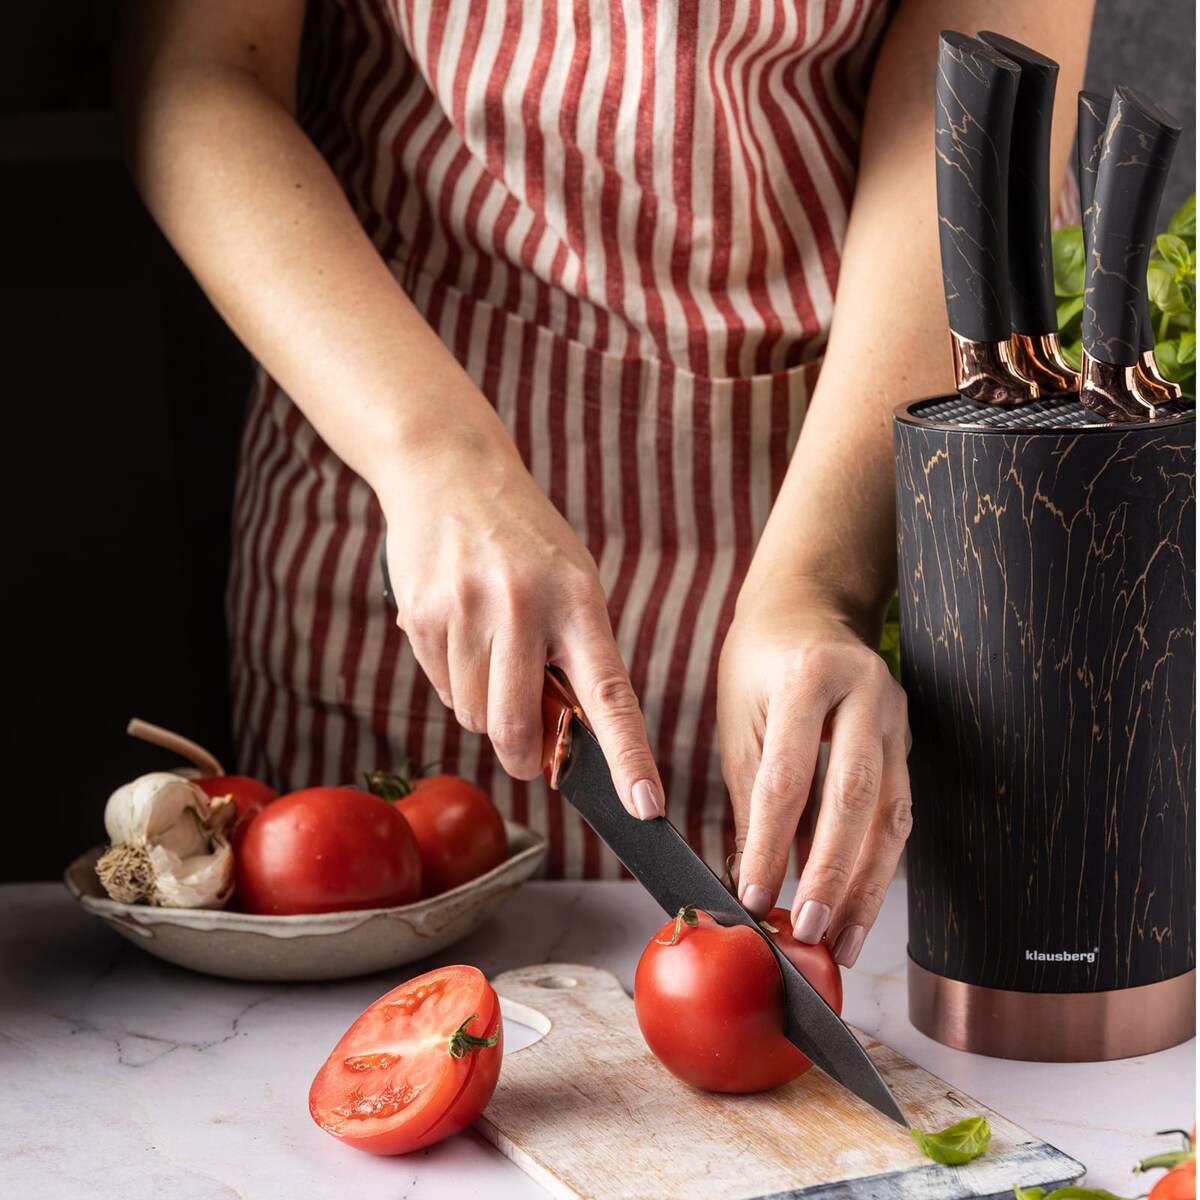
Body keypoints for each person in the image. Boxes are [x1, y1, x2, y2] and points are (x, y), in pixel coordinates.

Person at [112, 0, 1094, 967]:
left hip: (844, 454)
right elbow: (201, 70)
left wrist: (817, 586)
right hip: (400, 459)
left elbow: (966, 104)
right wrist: (436, 460)